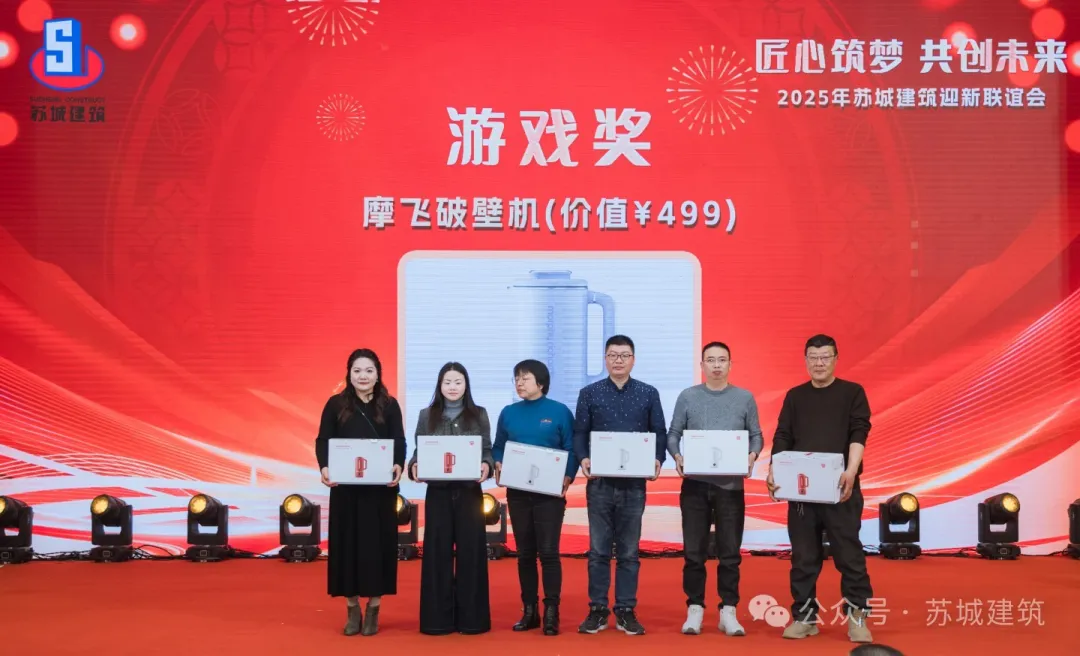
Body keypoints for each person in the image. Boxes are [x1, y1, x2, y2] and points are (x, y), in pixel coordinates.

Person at [766, 334, 874, 643]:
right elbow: (783, 436)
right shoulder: (795, 396)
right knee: (803, 558)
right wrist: (774, 470)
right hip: (802, 491)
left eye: (825, 357)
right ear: (805, 361)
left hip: (841, 489)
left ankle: (857, 617)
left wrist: (851, 472)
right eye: (813, 358)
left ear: (836, 359)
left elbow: (859, 432)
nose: (819, 363)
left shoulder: (852, 392)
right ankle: (805, 618)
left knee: (849, 556)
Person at [667, 341, 763, 636]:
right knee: (693, 552)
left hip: (730, 487)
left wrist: (752, 455)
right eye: (711, 360)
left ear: (730, 364)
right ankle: (695, 608)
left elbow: (756, 436)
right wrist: (677, 456)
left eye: (722, 360)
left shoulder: (744, 398)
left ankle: (728, 611)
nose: (717, 365)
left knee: (730, 552)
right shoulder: (688, 396)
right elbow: (673, 434)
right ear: (702, 365)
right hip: (695, 486)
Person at [573, 335, 667, 636]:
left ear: (633, 360)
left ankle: (625, 610)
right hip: (600, 483)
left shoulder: (648, 393)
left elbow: (659, 432)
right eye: (613, 355)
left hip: (633, 485)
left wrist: (657, 459)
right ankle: (597, 610)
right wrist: (583, 458)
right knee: (598, 550)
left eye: (624, 355)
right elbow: (579, 433)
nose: (618, 360)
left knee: (628, 551)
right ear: (605, 358)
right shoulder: (589, 393)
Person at [315, 348, 406, 637]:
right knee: (348, 547)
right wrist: (325, 467)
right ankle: (352, 608)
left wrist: (398, 465)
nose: (363, 376)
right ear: (349, 374)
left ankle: (374, 608)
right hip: (346, 490)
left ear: (378, 374)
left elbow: (399, 440)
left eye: (368, 370)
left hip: (379, 492)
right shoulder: (336, 404)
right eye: (357, 371)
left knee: (377, 548)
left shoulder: (389, 405)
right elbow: (323, 440)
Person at [408, 362, 495, 635]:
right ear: (440, 385)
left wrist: (487, 465)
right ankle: (437, 621)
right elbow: (418, 451)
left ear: (466, 385)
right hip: (438, 493)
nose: (453, 387)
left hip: (469, 493)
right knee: (437, 554)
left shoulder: (479, 414)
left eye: (458, 382)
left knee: (472, 553)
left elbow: (487, 450)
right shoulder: (426, 415)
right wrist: (414, 466)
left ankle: (472, 620)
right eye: (447, 382)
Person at [492, 359, 577, 636]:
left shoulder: (559, 411)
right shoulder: (508, 413)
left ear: (541, 382)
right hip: (518, 493)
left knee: (549, 552)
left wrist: (568, 475)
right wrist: (498, 462)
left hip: (549, 494)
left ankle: (552, 610)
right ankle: (529, 611)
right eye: (516, 378)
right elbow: (498, 446)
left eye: (525, 378)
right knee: (525, 553)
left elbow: (571, 448)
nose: (519, 383)